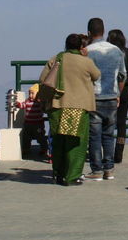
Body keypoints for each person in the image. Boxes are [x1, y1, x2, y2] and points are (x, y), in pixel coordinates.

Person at [39, 34, 100, 186]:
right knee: (76, 142)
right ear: (81, 47)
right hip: (78, 107)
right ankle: (72, 176)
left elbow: (43, 80)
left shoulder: (56, 59)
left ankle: (58, 173)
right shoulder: (85, 61)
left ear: (65, 45)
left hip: (57, 106)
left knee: (58, 140)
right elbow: (97, 75)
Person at [85, 18, 126, 181]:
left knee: (94, 136)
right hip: (111, 97)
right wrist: (118, 94)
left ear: (89, 32)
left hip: (94, 97)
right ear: (103, 31)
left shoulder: (87, 51)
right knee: (109, 135)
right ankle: (109, 168)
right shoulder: (116, 51)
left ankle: (96, 170)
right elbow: (122, 75)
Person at [107, 29, 128, 164]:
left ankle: (106, 153)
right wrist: (126, 82)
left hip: (109, 91)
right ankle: (119, 153)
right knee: (122, 123)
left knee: (106, 122)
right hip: (125, 91)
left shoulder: (107, 52)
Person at [19, 84, 48, 157]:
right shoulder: (27, 101)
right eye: (29, 93)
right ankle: (26, 149)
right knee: (26, 137)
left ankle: (44, 149)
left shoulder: (39, 102)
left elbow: (44, 108)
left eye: (32, 93)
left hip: (38, 124)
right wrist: (18, 104)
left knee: (40, 137)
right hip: (28, 123)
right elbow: (23, 105)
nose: (30, 95)